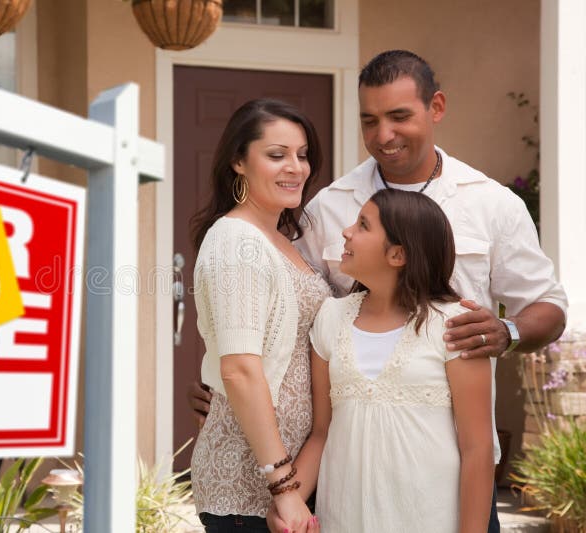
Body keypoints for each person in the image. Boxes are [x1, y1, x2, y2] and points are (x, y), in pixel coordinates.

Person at [190, 50, 568, 533]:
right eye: (369, 120)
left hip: (448, 472)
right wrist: (223, 377)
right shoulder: (326, 206)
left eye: (399, 116)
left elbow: (550, 306)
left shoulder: (491, 203)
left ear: (436, 108)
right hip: (341, 473)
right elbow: (269, 305)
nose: (383, 135)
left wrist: (506, 331)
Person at [286, 188, 494, 532]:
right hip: (344, 516)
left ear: (398, 254)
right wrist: (289, 499)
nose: (346, 231)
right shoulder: (331, 317)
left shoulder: (455, 325)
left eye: (363, 225)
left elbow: (478, 449)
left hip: (429, 518)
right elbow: (321, 433)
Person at [189, 98, 331, 533]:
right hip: (250, 489)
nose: (296, 167)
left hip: (290, 480)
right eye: (277, 155)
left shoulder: (283, 239)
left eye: (302, 155)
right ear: (238, 161)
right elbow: (240, 370)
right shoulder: (236, 240)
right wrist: (285, 488)